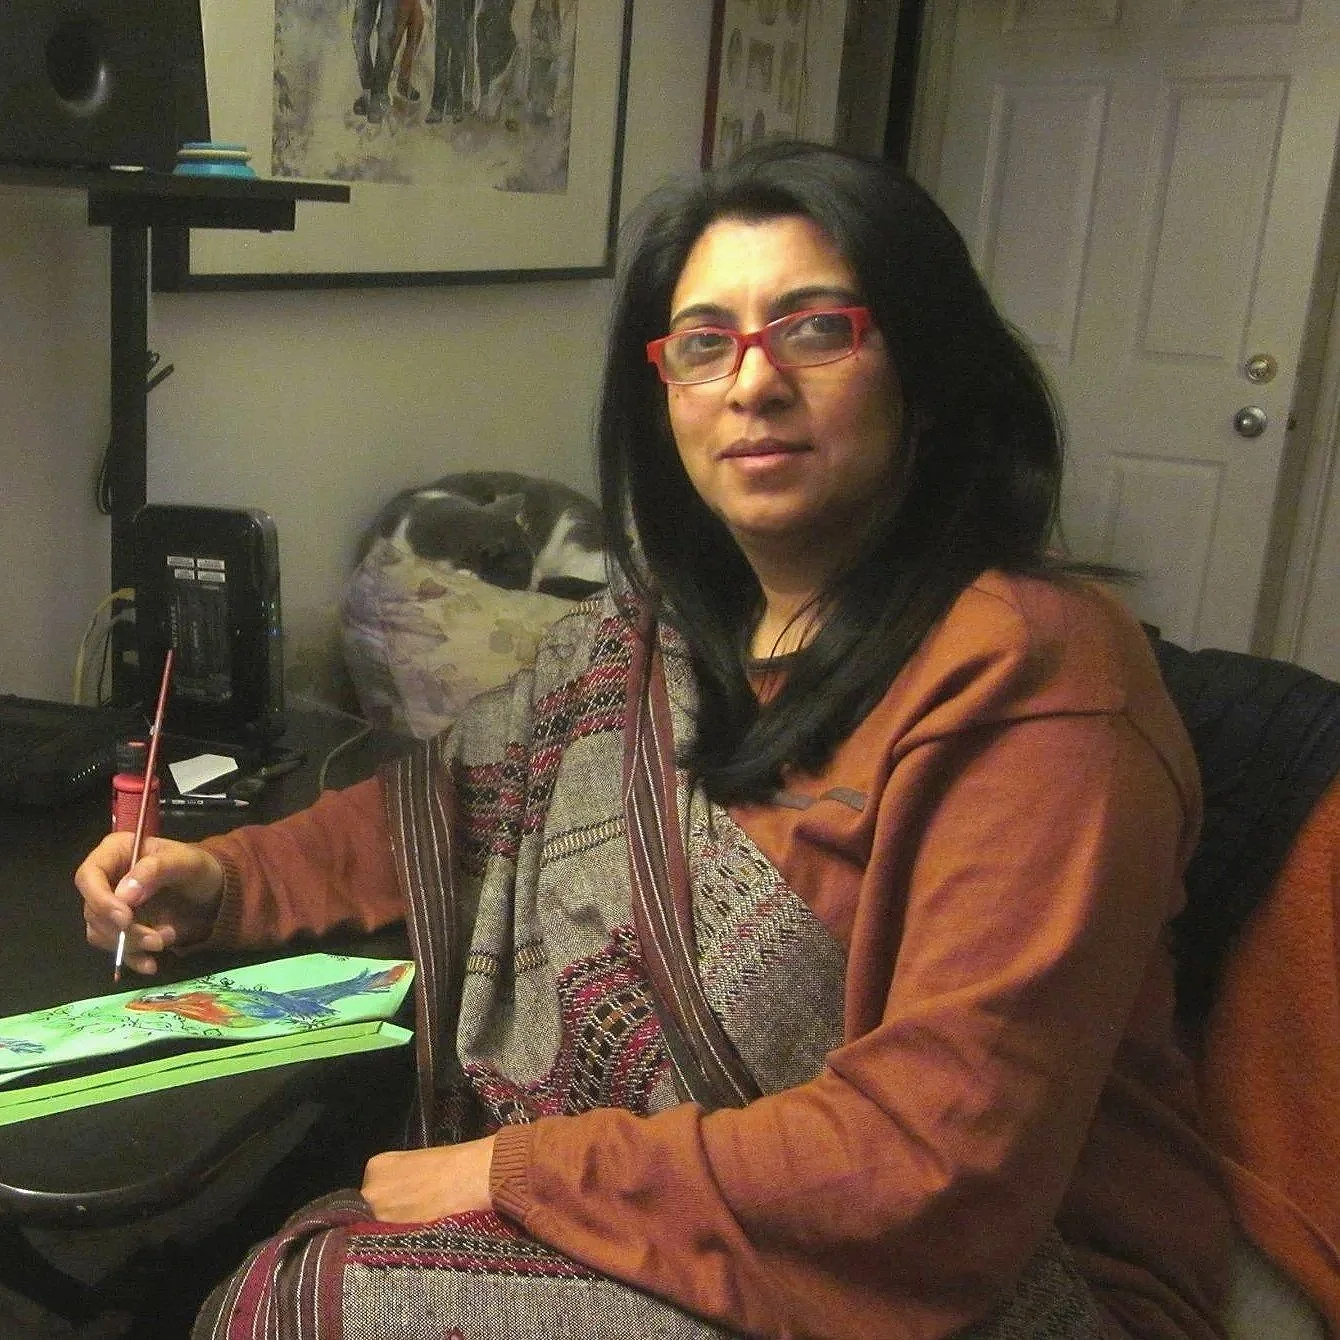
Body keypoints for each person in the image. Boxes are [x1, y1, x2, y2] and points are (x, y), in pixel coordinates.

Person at [76, 140, 1233, 1339]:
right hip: (698, 1198)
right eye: (702, 341)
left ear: (924, 368)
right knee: (272, 1235)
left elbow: (937, 1160)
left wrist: (510, 1173)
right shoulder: (657, 627)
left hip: (985, 1279)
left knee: (312, 1297)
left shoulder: (1035, 674)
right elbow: (451, 802)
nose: (751, 383)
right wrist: (222, 880)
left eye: (814, 329)